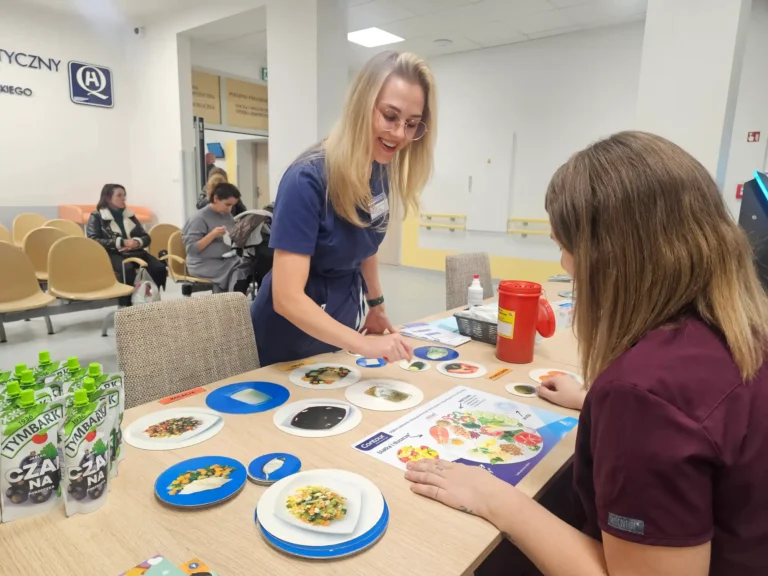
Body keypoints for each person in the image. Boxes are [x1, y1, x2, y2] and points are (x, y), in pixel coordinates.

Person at [404, 132, 768, 576]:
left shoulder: (645, 395)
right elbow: (704, 422)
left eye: (564, 247)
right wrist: (591, 402)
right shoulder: (741, 329)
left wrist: (494, 497)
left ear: (610, 257)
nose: (564, 266)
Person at [249, 51, 437, 366]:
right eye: (390, 116)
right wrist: (364, 345)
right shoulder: (306, 180)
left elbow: (366, 243)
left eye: (412, 124)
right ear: (361, 105)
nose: (400, 134)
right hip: (288, 334)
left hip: (341, 318)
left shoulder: (378, 167)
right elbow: (287, 298)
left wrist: (376, 305)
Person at [87, 184, 167, 303]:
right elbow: (93, 239)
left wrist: (136, 242)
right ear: (108, 198)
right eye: (119, 195)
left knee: (159, 268)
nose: (123, 198)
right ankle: (127, 305)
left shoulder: (129, 215)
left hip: (135, 251)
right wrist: (121, 242)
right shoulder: (97, 216)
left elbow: (145, 237)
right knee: (127, 270)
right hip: (113, 253)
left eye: (124, 195)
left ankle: (151, 299)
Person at [182, 181, 250, 293]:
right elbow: (191, 249)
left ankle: (229, 302)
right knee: (237, 270)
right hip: (202, 263)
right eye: (227, 204)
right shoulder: (198, 218)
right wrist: (212, 235)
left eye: (232, 205)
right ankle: (231, 302)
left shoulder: (227, 215)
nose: (230, 209)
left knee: (246, 265)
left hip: (224, 259)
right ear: (216, 199)